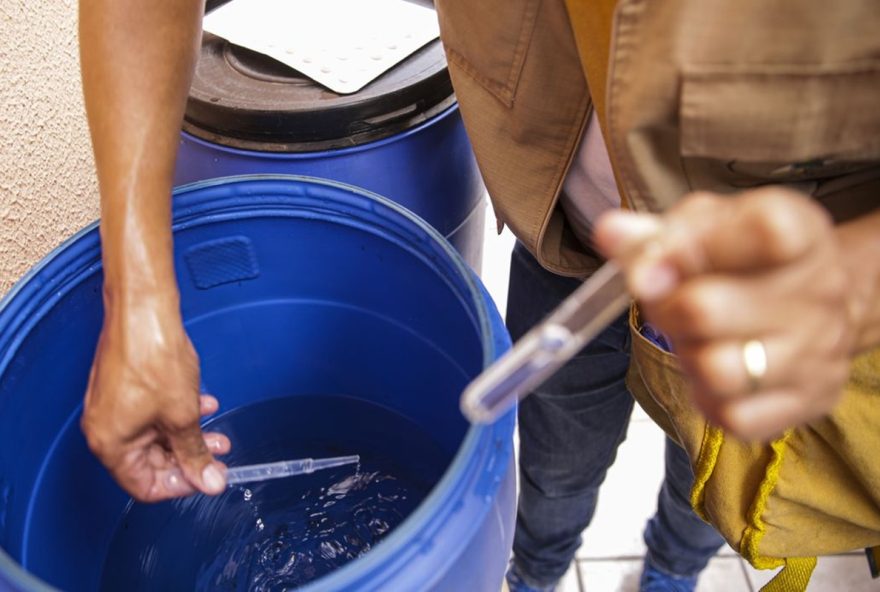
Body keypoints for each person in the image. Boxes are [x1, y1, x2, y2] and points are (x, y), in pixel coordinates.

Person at [78, 1, 880, 591]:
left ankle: (672, 571)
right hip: (568, 236)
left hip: (777, 277)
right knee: (558, 468)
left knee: (708, 478)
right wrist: (137, 300)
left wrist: (850, 277)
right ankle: (536, 574)